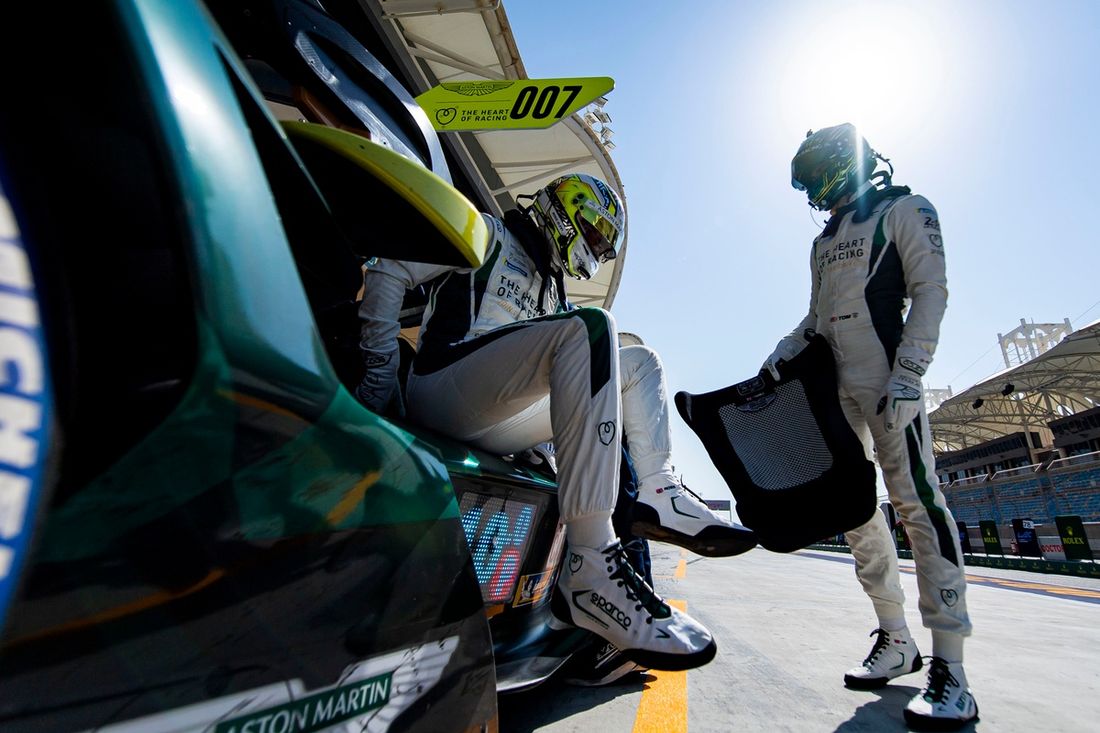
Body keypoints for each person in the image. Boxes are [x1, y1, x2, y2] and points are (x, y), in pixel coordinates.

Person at [356, 173, 756, 672]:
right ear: (566, 212)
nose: (592, 250)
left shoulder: (554, 292)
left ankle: (659, 492)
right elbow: (389, 268)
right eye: (592, 235)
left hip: (495, 419)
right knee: (593, 328)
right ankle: (593, 559)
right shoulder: (487, 231)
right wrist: (377, 370)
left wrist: (547, 449)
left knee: (639, 360)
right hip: (441, 390)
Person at [763, 124, 977, 729]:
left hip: (888, 380)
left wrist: (910, 372)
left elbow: (930, 291)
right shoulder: (825, 240)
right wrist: (780, 352)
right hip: (837, 387)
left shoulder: (908, 209)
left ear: (840, 164)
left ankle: (952, 669)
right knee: (855, 511)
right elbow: (815, 318)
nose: (813, 196)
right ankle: (895, 638)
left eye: (815, 179)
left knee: (917, 504)